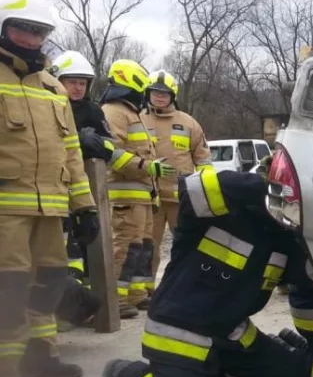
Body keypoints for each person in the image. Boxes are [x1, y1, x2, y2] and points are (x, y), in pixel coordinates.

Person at [92, 168, 313, 377]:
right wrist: (268, 188)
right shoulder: (222, 212)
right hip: (180, 336)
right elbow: (190, 187)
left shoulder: (285, 239)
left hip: (232, 336)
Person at [0, 0, 100, 377]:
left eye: (38, 31)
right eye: (22, 29)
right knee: (11, 291)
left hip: (51, 207)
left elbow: (71, 150)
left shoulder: (53, 88)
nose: (30, 38)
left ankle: (43, 356)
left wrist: (85, 206)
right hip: (7, 210)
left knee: (50, 284)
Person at [99, 59, 176, 318]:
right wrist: (147, 166)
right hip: (124, 193)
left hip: (141, 194)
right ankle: (117, 299)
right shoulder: (114, 111)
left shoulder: (131, 111)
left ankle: (137, 294)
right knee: (126, 245)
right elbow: (112, 151)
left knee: (143, 246)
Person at [48, 50, 110, 329]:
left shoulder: (93, 111)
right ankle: (61, 312)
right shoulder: (47, 104)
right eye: (71, 81)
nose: (77, 87)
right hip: (51, 191)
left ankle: (80, 310)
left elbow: (111, 147)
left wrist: (96, 143)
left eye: (82, 83)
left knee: (87, 250)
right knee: (60, 252)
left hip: (86, 190)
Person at [142, 69, 215, 290]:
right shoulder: (138, 119)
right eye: (155, 92)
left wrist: (206, 194)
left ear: (172, 95)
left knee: (187, 245)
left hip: (181, 198)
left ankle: (189, 287)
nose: (160, 97)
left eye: (164, 93)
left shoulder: (188, 123)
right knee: (147, 247)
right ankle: (144, 290)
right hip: (150, 197)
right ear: (148, 93)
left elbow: (203, 160)